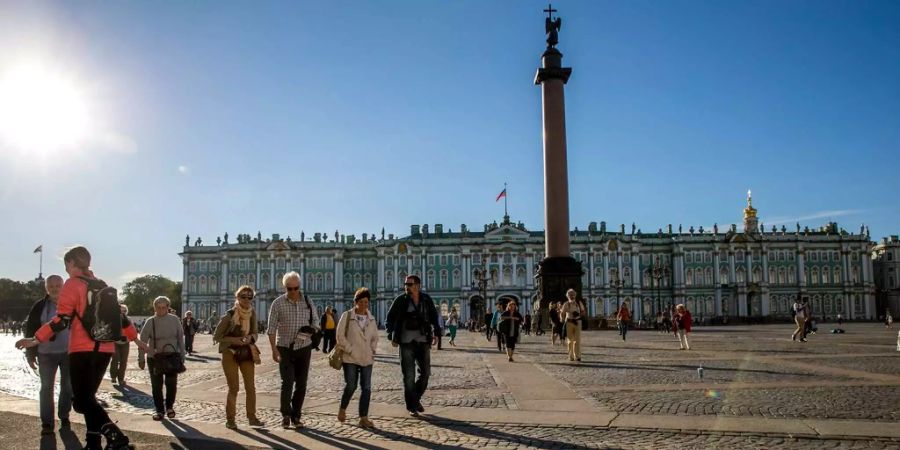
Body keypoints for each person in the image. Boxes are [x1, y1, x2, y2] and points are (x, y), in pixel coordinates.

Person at [16, 246, 150, 450]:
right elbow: (120, 317)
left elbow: (61, 320)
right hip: (105, 350)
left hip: (82, 350)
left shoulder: (72, 284)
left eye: (66, 265)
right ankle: (93, 443)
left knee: (81, 401)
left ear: (71, 263)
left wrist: (36, 339)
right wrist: (136, 339)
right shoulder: (102, 285)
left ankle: (116, 437)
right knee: (89, 399)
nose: (66, 269)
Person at [267, 271, 319, 429]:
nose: (293, 292)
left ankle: (296, 415)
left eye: (296, 288)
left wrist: (308, 331)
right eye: (290, 289)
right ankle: (286, 414)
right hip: (284, 347)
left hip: (304, 347)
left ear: (299, 286)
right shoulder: (277, 303)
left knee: (301, 384)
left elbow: (316, 322)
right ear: (285, 288)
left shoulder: (308, 301)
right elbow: (271, 329)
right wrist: (274, 350)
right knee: (287, 382)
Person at [385, 275, 440, 417]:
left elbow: (434, 316)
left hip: (423, 341)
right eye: (405, 284)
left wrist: (438, 333)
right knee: (408, 376)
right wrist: (391, 334)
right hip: (405, 342)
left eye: (410, 284)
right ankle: (411, 406)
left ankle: (414, 399)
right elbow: (389, 318)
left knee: (426, 373)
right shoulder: (401, 300)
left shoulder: (426, 299)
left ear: (417, 286)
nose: (406, 287)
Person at [23, 275, 72, 435]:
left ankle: (64, 416)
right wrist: (30, 354)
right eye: (51, 286)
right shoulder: (39, 306)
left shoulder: (72, 304)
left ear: (63, 286)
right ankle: (47, 423)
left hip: (68, 352)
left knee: (67, 387)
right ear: (46, 288)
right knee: (46, 388)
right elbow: (31, 329)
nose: (54, 288)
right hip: (45, 353)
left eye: (58, 285)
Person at [213, 285, 263, 429]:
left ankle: (252, 417)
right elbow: (217, 336)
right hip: (230, 353)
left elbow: (255, 333)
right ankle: (230, 419)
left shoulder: (252, 314)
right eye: (243, 297)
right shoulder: (229, 315)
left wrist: (250, 338)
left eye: (249, 297)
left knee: (250, 387)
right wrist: (234, 340)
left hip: (246, 352)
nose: (246, 299)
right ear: (237, 298)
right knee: (234, 387)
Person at [336, 288, 379, 428]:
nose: (363, 304)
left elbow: (375, 338)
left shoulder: (371, 319)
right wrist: (350, 349)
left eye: (366, 302)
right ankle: (343, 408)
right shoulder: (347, 316)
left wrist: (372, 349)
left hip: (367, 357)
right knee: (351, 385)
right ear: (355, 302)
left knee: (366, 388)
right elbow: (339, 336)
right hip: (350, 358)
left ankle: (363, 417)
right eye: (360, 301)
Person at [138, 296, 185, 421]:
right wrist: (141, 358)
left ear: (168, 308)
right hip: (155, 357)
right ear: (155, 308)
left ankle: (169, 407)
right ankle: (159, 410)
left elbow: (180, 338)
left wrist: (182, 355)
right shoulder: (150, 321)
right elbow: (142, 340)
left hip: (172, 357)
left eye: (164, 307)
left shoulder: (175, 320)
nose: (161, 310)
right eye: (158, 307)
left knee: (171, 384)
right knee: (156, 385)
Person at [559, 290, 586, 362]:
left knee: (577, 340)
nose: (572, 296)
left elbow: (583, 311)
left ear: (575, 295)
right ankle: (571, 356)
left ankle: (577, 356)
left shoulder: (579, 303)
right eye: (570, 295)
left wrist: (579, 314)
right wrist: (562, 319)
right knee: (570, 341)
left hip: (577, 322)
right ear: (567, 296)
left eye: (573, 294)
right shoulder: (566, 304)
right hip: (569, 322)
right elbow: (562, 313)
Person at [110, 304, 130, 386]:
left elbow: (133, 331)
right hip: (115, 343)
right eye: (121, 311)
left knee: (123, 362)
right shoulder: (114, 320)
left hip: (126, 343)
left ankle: (121, 379)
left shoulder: (129, 320)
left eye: (124, 311)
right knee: (115, 359)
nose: (123, 312)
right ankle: (113, 376)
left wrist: (128, 338)